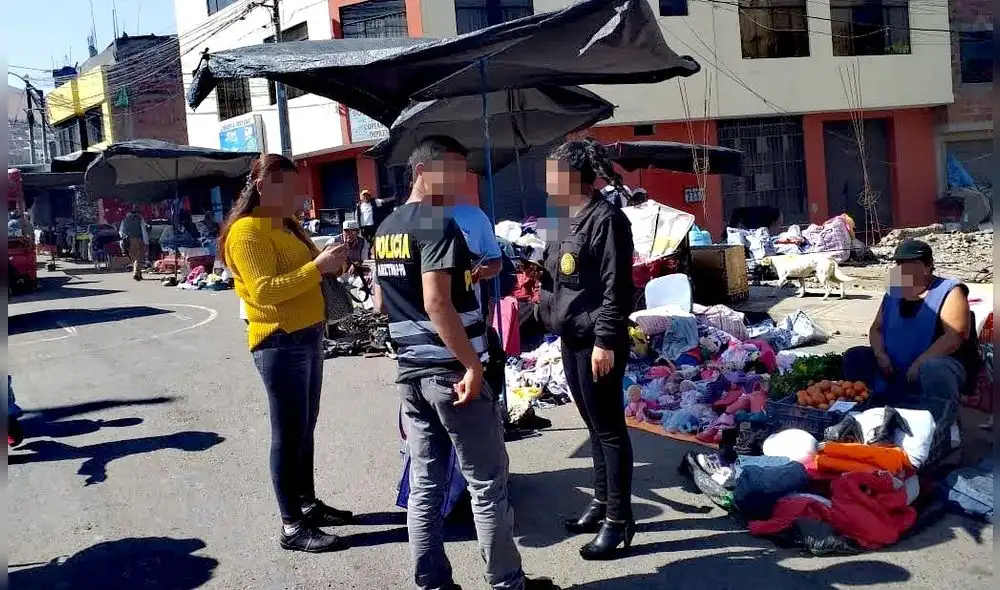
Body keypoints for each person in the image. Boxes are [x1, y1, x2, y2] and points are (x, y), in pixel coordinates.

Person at [372, 136, 556, 590]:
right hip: (451, 373)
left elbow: (381, 302)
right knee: (487, 483)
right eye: (450, 170)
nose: (459, 181)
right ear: (421, 172)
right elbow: (438, 303)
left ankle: (432, 582)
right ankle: (507, 581)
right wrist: (472, 365)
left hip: (411, 374)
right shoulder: (437, 225)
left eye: (463, 171)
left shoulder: (387, 227)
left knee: (426, 483)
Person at [219, 153, 356, 554]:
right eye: (289, 186)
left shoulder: (287, 225)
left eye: (298, 186)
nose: (298, 193)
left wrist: (334, 262)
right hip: (279, 339)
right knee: (287, 433)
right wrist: (317, 267)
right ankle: (291, 525)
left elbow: (308, 273)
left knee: (305, 428)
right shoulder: (247, 232)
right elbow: (265, 291)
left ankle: (308, 504)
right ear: (263, 187)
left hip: (309, 334)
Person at [541, 138, 636, 561]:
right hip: (571, 337)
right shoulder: (563, 218)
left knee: (610, 429)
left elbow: (619, 288)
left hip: (598, 341)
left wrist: (605, 340)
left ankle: (619, 520)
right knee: (592, 425)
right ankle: (601, 503)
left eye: (552, 174)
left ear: (573, 177)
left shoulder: (608, 220)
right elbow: (555, 276)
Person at [843, 239, 979, 422]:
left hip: (940, 365)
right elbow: (876, 329)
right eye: (901, 265)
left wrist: (921, 362)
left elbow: (955, 335)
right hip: (895, 366)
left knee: (934, 369)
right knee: (855, 357)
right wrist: (880, 353)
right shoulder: (895, 289)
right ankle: (862, 415)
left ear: (928, 265)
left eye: (913, 264)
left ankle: (941, 425)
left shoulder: (950, 291)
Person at [119, 205, 149, 281]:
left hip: (127, 240)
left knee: (133, 257)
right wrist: (146, 242)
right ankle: (136, 273)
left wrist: (123, 240)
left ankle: (139, 274)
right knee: (139, 257)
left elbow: (121, 232)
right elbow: (144, 231)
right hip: (137, 239)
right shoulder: (139, 220)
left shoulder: (124, 220)